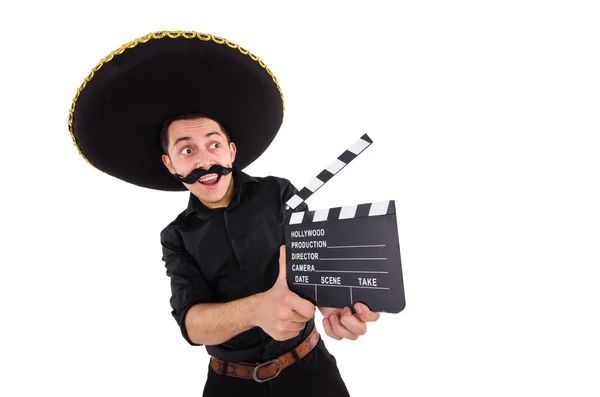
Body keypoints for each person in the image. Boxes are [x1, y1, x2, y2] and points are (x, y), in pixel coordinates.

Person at [68, 30, 381, 396]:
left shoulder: (279, 194)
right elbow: (192, 325)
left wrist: (336, 308)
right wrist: (256, 310)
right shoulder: (176, 237)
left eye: (213, 145)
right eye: (187, 151)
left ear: (231, 152)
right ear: (170, 164)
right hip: (229, 385)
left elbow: (317, 267)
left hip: (313, 374)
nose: (205, 161)